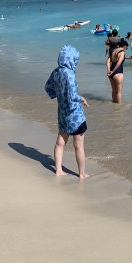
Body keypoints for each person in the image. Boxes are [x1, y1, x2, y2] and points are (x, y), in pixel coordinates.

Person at [44, 45, 89, 179]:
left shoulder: (56, 72)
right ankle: (81, 173)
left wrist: (57, 96)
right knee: (79, 147)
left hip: (63, 114)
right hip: (75, 115)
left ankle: (58, 170)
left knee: (60, 143)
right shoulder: (69, 74)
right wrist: (82, 98)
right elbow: (72, 95)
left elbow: (47, 87)